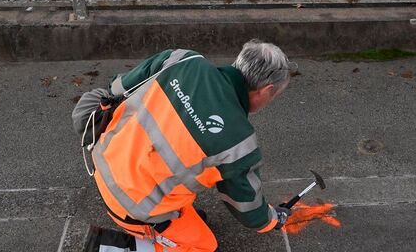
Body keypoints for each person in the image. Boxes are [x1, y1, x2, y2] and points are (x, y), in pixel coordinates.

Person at [72, 40, 295, 251]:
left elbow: (118, 86)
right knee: (205, 246)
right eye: (273, 96)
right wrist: (273, 219)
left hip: (103, 160)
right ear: (266, 90)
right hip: (131, 205)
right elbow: (248, 209)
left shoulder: (182, 59)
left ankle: (169, 223)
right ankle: (109, 247)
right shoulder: (240, 142)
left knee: (191, 209)